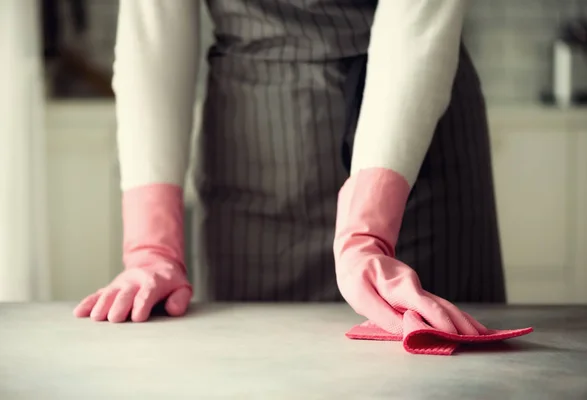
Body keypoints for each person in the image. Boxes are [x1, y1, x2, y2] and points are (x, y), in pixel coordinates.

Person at [74, 0, 505, 335]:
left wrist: (370, 225)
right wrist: (153, 247)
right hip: (253, 160)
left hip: (418, 151)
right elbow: (153, 28)